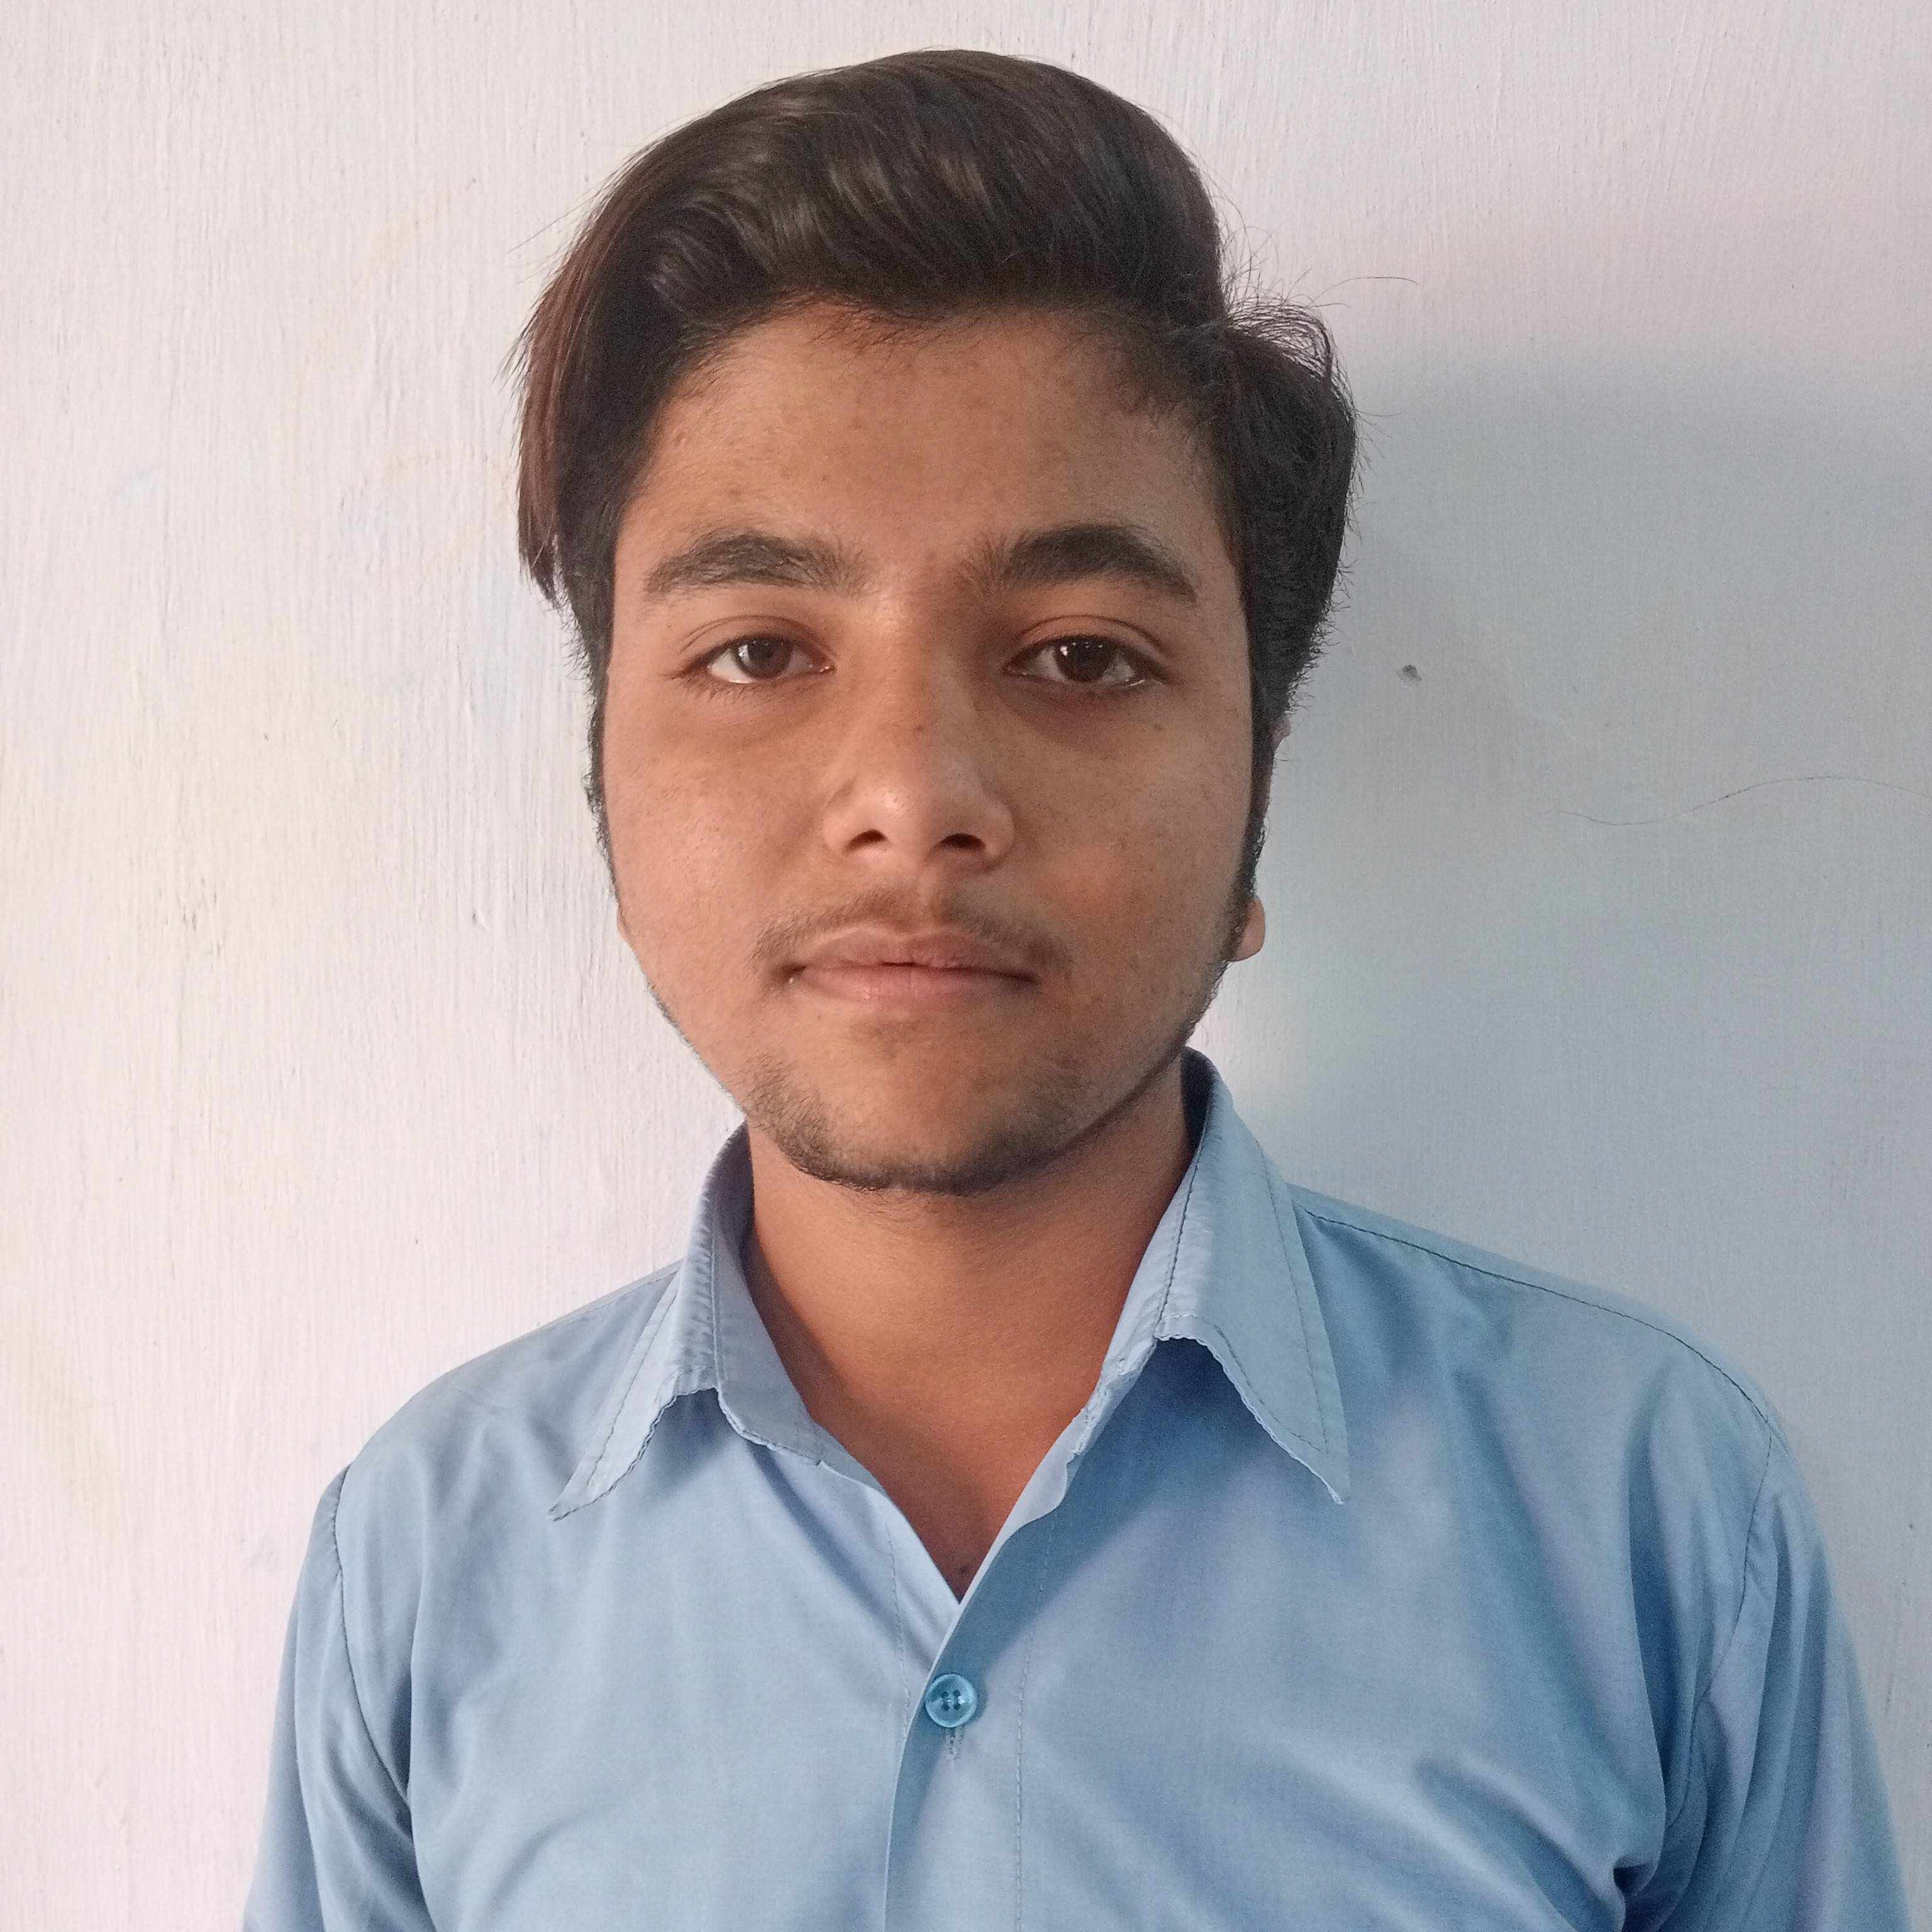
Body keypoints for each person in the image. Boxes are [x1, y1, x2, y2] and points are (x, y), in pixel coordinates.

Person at [243, 48, 1911, 1930]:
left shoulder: (1643, 1511)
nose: (914, 797)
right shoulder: (428, 1555)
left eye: (1083, 657)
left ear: (1258, 786)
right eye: (761, 650)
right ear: (604, 790)